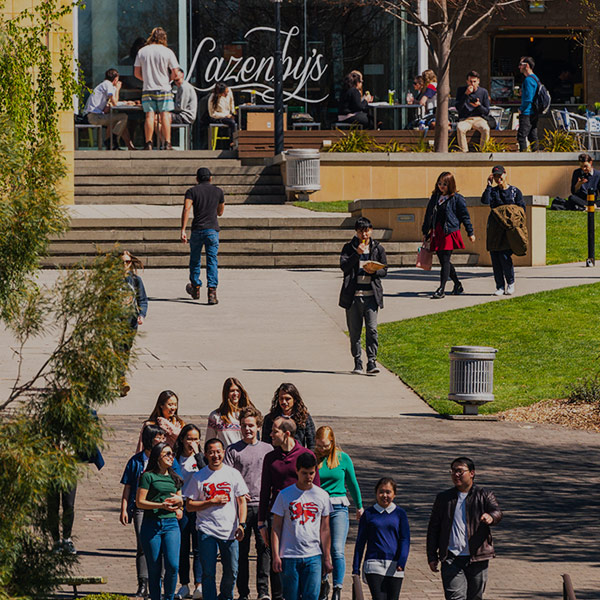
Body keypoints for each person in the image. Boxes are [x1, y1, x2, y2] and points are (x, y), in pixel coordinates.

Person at [258, 417, 321, 600]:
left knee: (299, 561)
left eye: (274, 431)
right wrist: (262, 522)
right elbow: (264, 490)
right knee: (277, 560)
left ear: (286, 434)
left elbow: (316, 489)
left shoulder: (305, 455)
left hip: (301, 515)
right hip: (276, 515)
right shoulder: (271, 457)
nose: (270, 434)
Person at [427, 457, 503, 600]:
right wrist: (432, 555)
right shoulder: (444, 498)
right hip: (451, 557)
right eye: (453, 471)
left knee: (475, 597)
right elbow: (433, 528)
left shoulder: (484, 495)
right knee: (455, 597)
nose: (456, 475)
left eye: (460, 471)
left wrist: (491, 517)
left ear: (472, 473)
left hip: (477, 557)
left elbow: (497, 511)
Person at [184, 438, 249, 600]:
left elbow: (242, 501)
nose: (215, 455)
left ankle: (226, 596)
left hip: (230, 531)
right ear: (206, 454)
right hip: (207, 530)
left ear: (223, 452)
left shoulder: (233, 474)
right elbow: (189, 506)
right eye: (211, 452)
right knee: (208, 573)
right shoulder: (199, 477)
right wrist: (210, 502)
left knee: (232, 570)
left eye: (218, 451)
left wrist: (241, 525)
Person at [224, 407, 273, 600]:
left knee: (264, 550)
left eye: (251, 425)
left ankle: (263, 591)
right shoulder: (232, 450)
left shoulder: (268, 449)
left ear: (258, 426)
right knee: (241, 553)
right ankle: (243, 593)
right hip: (241, 508)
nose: (247, 429)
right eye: (244, 426)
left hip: (263, 507)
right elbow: (227, 480)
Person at [271, 452, 333, 600]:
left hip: (313, 555)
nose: (308, 477)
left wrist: (327, 556)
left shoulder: (322, 496)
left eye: (311, 473)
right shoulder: (285, 495)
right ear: (297, 471)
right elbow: (276, 528)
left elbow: (325, 529)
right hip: (289, 555)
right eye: (304, 473)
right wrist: (275, 556)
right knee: (290, 596)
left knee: (311, 596)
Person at [315, 426, 363, 600]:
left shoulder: (343, 458)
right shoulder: (313, 458)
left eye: (326, 446)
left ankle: (337, 587)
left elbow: (352, 483)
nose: (322, 449)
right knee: (319, 548)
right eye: (319, 446)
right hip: (318, 508)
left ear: (333, 442)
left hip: (338, 507)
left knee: (336, 549)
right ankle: (322, 582)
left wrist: (359, 506)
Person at [120, 425, 167, 600]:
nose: (162, 441)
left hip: (161, 507)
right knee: (142, 545)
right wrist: (124, 508)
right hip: (140, 507)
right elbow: (128, 486)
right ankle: (143, 584)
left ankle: (158, 584)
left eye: (163, 438)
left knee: (160, 546)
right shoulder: (136, 461)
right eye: (158, 437)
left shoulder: (168, 458)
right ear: (149, 439)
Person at [339, 217, 388, 375]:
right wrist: (356, 254)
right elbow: (344, 267)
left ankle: (371, 361)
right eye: (361, 231)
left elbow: (384, 270)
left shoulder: (378, 248)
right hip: (353, 297)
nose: (364, 234)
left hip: (371, 296)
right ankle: (358, 362)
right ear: (356, 232)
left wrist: (375, 271)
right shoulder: (348, 247)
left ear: (371, 230)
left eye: (367, 230)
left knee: (372, 329)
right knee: (355, 332)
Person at [136, 442, 185, 600]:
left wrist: (180, 505)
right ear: (157, 457)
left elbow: (179, 501)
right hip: (152, 524)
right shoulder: (147, 476)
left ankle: (169, 597)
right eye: (167, 454)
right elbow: (140, 502)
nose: (171, 457)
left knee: (173, 565)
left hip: (171, 525)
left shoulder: (175, 478)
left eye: (172, 454)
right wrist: (160, 505)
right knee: (154, 568)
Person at [352, 477, 410, 600]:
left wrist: (402, 561)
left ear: (394, 494)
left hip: (395, 565)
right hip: (373, 564)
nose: (384, 495)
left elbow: (405, 539)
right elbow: (360, 542)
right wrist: (355, 568)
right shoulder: (368, 514)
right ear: (376, 493)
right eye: (381, 492)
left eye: (388, 492)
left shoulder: (400, 514)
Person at [422, 172, 475, 299]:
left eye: (444, 184)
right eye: (439, 183)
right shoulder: (435, 198)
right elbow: (428, 215)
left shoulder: (457, 198)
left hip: (449, 231)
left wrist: (470, 232)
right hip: (437, 232)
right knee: (443, 261)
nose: (441, 186)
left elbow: (464, 216)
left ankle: (442, 289)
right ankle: (457, 284)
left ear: (450, 184)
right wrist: (426, 231)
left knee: (445, 260)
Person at [180, 167, 225, 305]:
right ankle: (212, 292)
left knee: (195, 260)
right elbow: (220, 212)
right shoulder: (218, 191)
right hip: (212, 230)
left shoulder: (192, 191)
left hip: (197, 230)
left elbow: (187, 208)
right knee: (212, 260)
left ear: (197, 179)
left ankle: (195, 287)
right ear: (211, 178)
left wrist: (183, 229)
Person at [481, 166, 526, 296]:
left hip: (509, 229)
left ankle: (510, 283)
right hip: (495, 229)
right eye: (495, 176)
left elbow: (522, 209)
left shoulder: (515, 191)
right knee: (495, 258)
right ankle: (500, 286)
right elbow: (484, 200)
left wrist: (519, 226)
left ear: (505, 174)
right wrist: (488, 185)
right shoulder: (493, 191)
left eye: (500, 175)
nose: (498, 178)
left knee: (505, 257)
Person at [174, 425, 207, 600]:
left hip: (199, 506)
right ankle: (184, 584)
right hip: (182, 505)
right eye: (189, 439)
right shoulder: (176, 459)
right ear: (182, 440)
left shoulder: (201, 458)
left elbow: (206, 474)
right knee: (183, 547)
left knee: (199, 547)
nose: (192, 442)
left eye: (196, 439)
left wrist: (198, 455)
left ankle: (199, 585)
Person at [134, 27, 180, 150]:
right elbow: (175, 72)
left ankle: (148, 142)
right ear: (164, 38)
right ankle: (167, 143)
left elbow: (136, 73)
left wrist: (147, 79)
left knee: (149, 115)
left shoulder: (142, 51)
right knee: (165, 115)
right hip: (164, 88)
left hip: (148, 88)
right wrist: (168, 79)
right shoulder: (168, 52)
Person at [84, 68, 136, 150]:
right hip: (95, 117)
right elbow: (115, 103)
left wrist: (125, 103)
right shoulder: (108, 85)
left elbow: (111, 103)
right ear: (115, 79)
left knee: (119, 122)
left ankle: (115, 144)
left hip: (94, 116)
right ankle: (112, 141)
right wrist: (118, 89)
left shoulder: (104, 84)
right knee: (123, 117)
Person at [120, 250, 148, 397]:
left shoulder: (136, 280)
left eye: (127, 262)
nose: (125, 265)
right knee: (117, 350)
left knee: (125, 350)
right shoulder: (111, 281)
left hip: (130, 322)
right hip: (114, 323)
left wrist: (141, 314)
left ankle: (120, 377)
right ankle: (121, 380)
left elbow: (143, 299)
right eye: (122, 262)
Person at [262, 383, 316, 451]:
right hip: (276, 458)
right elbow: (265, 443)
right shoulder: (270, 419)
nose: (284, 402)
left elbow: (312, 442)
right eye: (281, 398)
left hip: (297, 456)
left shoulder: (304, 418)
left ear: (295, 400)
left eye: (287, 399)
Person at [206, 377, 256, 447]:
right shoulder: (216, 416)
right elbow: (209, 441)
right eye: (232, 391)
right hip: (226, 456)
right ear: (226, 393)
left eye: (238, 390)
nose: (235, 393)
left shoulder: (248, 414)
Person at [455, 71, 491, 153]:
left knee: (485, 129)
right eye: (470, 81)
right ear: (467, 82)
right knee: (460, 128)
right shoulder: (461, 90)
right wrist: (466, 94)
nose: (472, 84)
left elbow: (486, 111)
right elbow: (458, 107)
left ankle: (483, 151)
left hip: (479, 118)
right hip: (465, 119)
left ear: (478, 81)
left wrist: (478, 106)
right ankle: (464, 151)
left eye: (475, 81)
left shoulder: (483, 92)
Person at [517, 56, 540, 152]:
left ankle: (523, 158)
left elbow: (528, 99)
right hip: (534, 112)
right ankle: (536, 156)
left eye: (520, 65)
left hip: (527, 112)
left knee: (521, 137)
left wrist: (521, 109)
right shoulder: (535, 78)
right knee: (532, 136)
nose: (519, 67)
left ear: (526, 65)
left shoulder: (528, 80)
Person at [208, 82, 237, 147]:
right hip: (219, 116)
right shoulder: (212, 98)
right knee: (231, 122)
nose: (227, 94)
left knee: (241, 119)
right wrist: (225, 115)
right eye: (224, 93)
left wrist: (232, 113)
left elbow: (231, 102)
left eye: (227, 92)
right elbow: (212, 113)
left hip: (229, 114)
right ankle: (232, 141)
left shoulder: (229, 91)